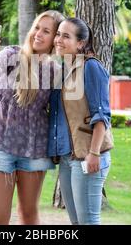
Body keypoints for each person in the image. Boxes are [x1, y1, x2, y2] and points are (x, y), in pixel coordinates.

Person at [0, 10, 65, 225]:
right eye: (36, 28)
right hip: (0, 143)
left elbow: (61, 112)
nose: (38, 34)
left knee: (29, 215)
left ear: (55, 38)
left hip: (35, 149)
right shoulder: (10, 56)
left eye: (46, 31)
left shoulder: (56, 71)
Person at [47, 17, 113, 225]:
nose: (58, 39)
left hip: (87, 156)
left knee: (88, 221)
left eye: (66, 36)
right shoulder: (64, 71)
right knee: (77, 223)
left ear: (81, 43)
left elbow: (101, 114)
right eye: (58, 34)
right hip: (68, 157)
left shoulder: (91, 67)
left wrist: (94, 153)